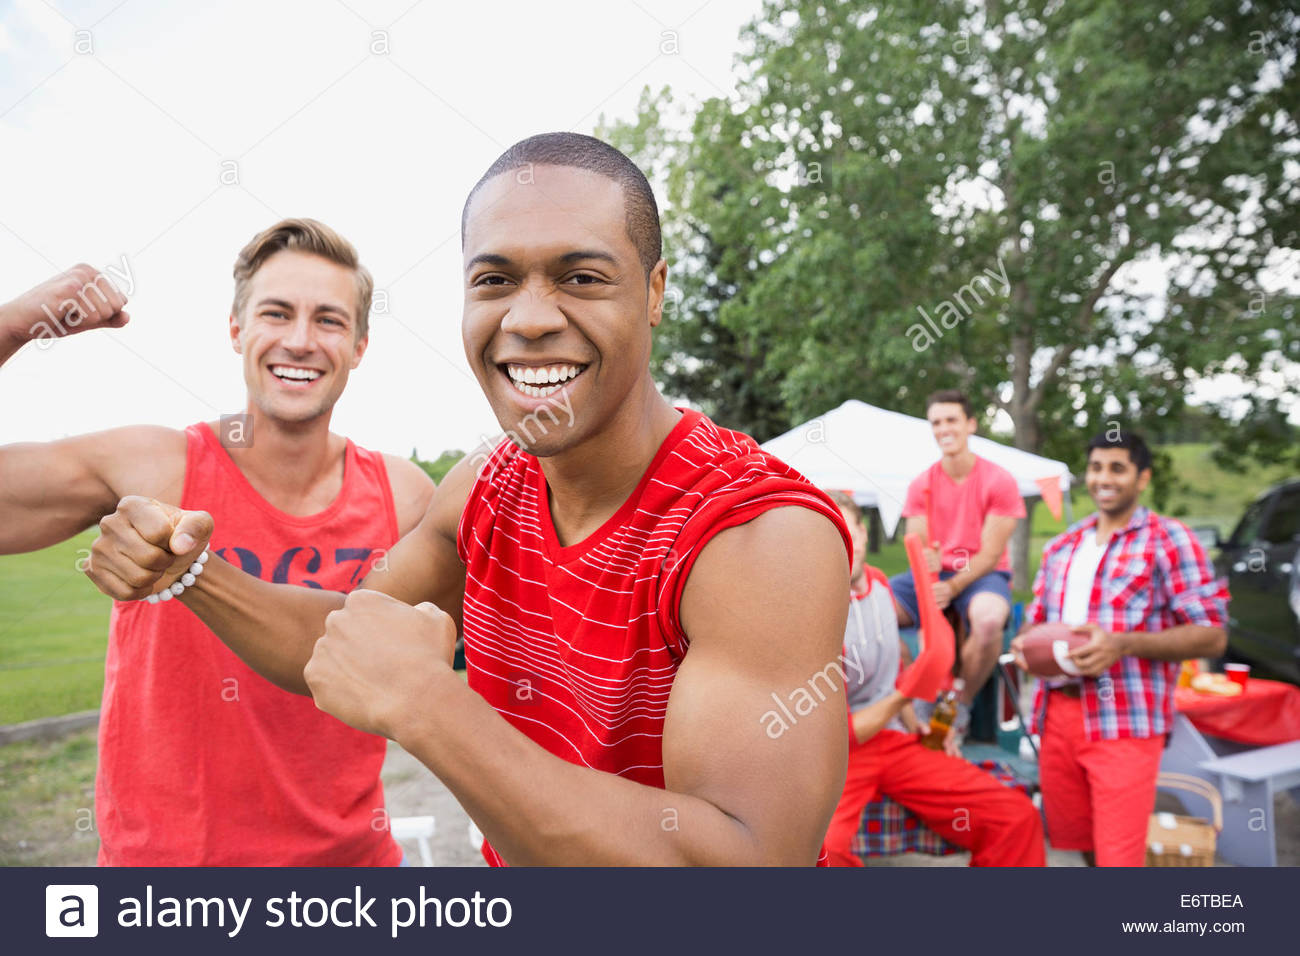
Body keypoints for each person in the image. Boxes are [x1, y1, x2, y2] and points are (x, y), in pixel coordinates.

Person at [84, 132, 856, 866]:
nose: (528, 318)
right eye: (494, 281)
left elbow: (749, 867)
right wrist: (187, 573)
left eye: (581, 277)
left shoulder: (756, 535)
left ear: (654, 292)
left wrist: (433, 709)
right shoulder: (489, 482)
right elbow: (349, 633)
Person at [0, 220, 434, 865]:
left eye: (330, 321)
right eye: (276, 313)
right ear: (236, 330)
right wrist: (13, 325)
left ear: (361, 345)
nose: (299, 340)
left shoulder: (404, 495)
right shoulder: (155, 464)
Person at [1012, 429, 1227, 866]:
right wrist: (1026, 645)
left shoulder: (1168, 539)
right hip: (1057, 715)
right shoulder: (1062, 545)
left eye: (1117, 468)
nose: (1103, 478)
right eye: (1095, 467)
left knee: (1119, 855)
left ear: (1142, 478)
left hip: (1124, 719)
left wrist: (1123, 644)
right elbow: (1036, 620)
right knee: (1080, 841)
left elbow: (1212, 634)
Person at [822, 492, 1044, 867]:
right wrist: (907, 694)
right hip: (840, 755)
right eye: (829, 534)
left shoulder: (880, 586)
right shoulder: (814, 611)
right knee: (824, 851)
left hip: (894, 739)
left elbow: (895, 662)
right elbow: (839, 734)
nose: (842, 543)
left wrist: (922, 729)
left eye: (848, 530)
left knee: (1014, 817)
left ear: (862, 532)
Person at [889, 389, 1024, 746]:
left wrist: (952, 588)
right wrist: (929, 571)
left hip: (980, 574)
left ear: (970, 425)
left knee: (990, 618)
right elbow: (917, 547)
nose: (944, 428)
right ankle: (907, 700)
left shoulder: (999, 481)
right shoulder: (922, 484)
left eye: (952, 420)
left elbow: (991, 554)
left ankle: (957, 704)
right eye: (936, 422)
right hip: (935, 577)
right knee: (869, 610)